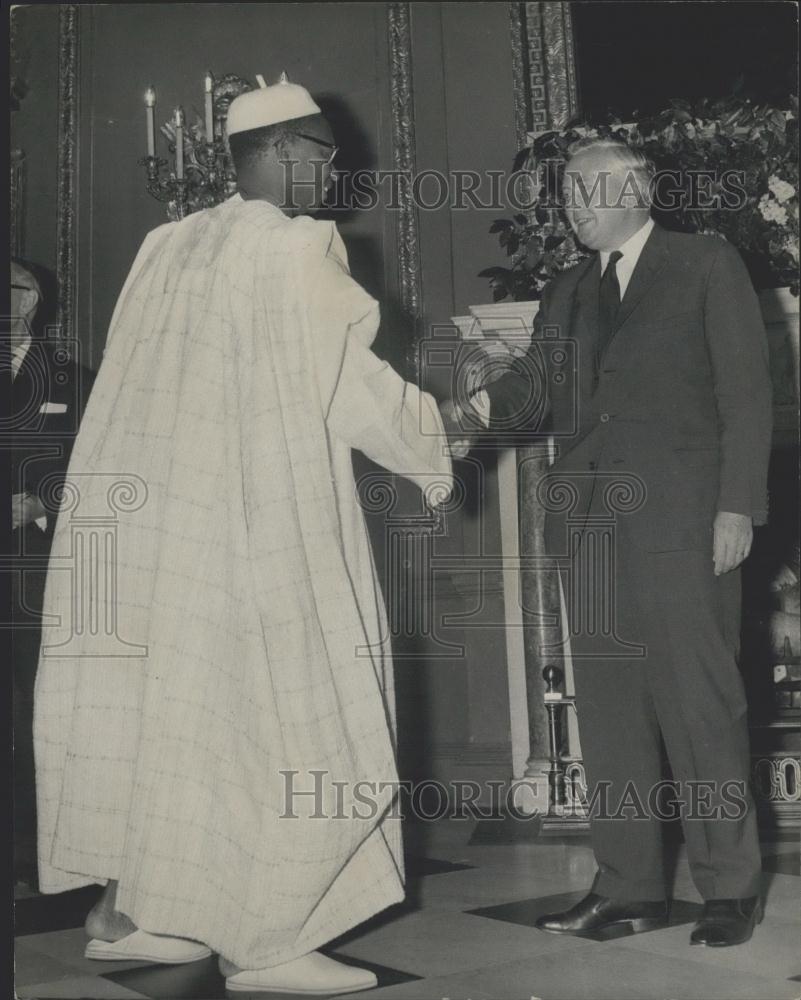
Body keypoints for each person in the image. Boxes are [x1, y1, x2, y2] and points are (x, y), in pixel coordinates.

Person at [33, 74, 452, 995]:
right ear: (291, 154)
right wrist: (438, 433)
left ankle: (143, 916)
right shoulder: (298, 246)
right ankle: (269, 943)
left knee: (178, 720)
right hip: (260, 520)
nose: (332, 179)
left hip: (160, 534)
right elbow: (345, 383)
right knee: (284, 709)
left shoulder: (166, 242)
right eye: (327, 160)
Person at [447, 137, 772, 948]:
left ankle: (727, 889)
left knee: (699, 705)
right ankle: (627, 885)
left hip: (683, 524)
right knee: (612, 714)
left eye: (587, 188)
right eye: (566, 193)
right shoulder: (564, 292)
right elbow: (536, 387)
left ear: (638, 187)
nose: (572, 205)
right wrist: (469, 416)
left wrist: (736, 509)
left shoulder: (704, 263)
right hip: (588, 526)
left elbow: (747, 393)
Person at [9, 260, 95, 889]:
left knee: (42, 709)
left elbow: (104, 469)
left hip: (41, 570)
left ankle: (47, 849)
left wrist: (44, 502)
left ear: (30, 300)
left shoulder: (70, 378)